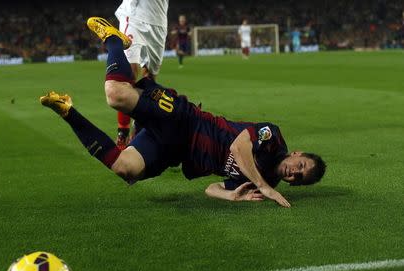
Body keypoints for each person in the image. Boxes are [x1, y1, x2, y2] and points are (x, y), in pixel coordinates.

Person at [40, 18, 326, 206]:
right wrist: (263, 187)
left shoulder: (264, 180)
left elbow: (210, 189)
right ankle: (114, 40)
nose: (294, 173)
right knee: (116, 95)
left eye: (299, 179)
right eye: (300, 167)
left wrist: (231, 195)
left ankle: (67, 110)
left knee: (126, 170)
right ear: (297, 154)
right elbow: (240, 146)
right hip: (185, 120)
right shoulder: (272, 137)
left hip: (175, 150)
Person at [113, 0, 169, 150]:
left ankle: (138, 130)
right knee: (129, 75)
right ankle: (122, 134)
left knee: (150, 80)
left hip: (158, 20)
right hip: (134, 15)